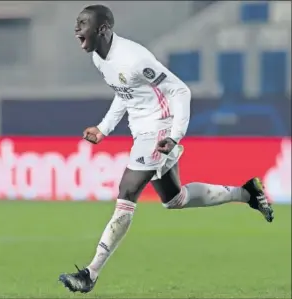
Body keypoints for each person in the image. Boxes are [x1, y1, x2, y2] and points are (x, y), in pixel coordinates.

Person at [59, 4, 274, 294]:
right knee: (174, 198)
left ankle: (90, 273)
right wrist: (104, 128)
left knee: (128, 191)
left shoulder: (134, 59)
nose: (76, 29)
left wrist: (174, 135)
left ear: (103, 29)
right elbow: (125, 93)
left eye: (82, 23)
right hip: (142, 132)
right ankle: (247, 192)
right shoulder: (100, 58)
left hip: (160, 128)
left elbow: (180, 90)